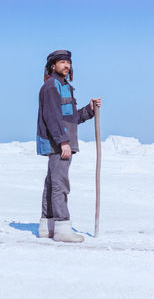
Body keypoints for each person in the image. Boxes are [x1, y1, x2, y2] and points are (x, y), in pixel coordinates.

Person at [36, 50, 102, 243]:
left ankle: (47, 226)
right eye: (62, 62)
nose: (66, 66)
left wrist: (89, 110)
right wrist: (62, 141)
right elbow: (52, 117)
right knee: (60, 184)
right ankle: (62, 228)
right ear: (52, 66)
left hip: (62, 141)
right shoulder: (51, 87)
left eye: (68, 63)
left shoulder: (65, 86)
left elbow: (70, 118)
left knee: (52, 183)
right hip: (58, 143)